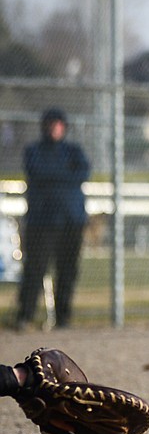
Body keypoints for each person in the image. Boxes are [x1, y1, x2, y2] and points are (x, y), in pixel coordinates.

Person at [14, 108, 90, 330]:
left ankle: (63, 318)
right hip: (42, 222)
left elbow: (83, 173)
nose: (55, 128)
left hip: (71, 221)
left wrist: (53, 176)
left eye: (59, 124)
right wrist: (65, 176)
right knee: (35, 270)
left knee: (67, 270)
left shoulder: (74, 151)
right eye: (51, 124)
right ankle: (25, 316)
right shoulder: (34, 150)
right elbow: (36, 172)